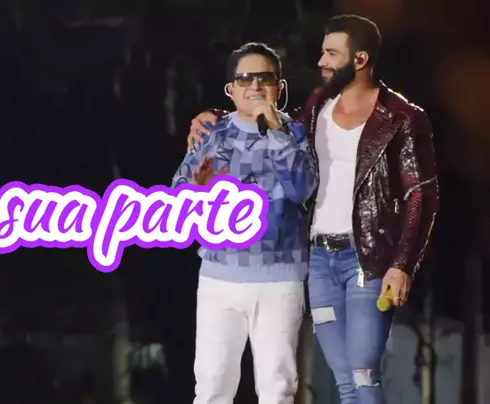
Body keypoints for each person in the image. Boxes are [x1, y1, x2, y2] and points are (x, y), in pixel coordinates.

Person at [186, 15, 439, 404]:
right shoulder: (318, 106)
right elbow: (262, 125)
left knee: (360, 373)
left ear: (360, 59)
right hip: (315, 262)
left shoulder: (399, 117)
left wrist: (402, 263)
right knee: (342, 378)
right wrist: (215, 122)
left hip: (359, 260)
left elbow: (419, 194)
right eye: (322, 52)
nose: (321, 61)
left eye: (331, 54)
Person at [171, 42, 318, 404]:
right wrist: (197, 191)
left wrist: (275, 132)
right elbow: (176, 206)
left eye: (264, 78)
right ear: (230, 89)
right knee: (212, 387)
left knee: (277, 388)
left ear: (279, 88)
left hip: (280, 277)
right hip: (219, 277)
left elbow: (302, 189)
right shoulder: (210, 134)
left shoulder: (297, 133)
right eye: (245, 79)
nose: (255, 86)